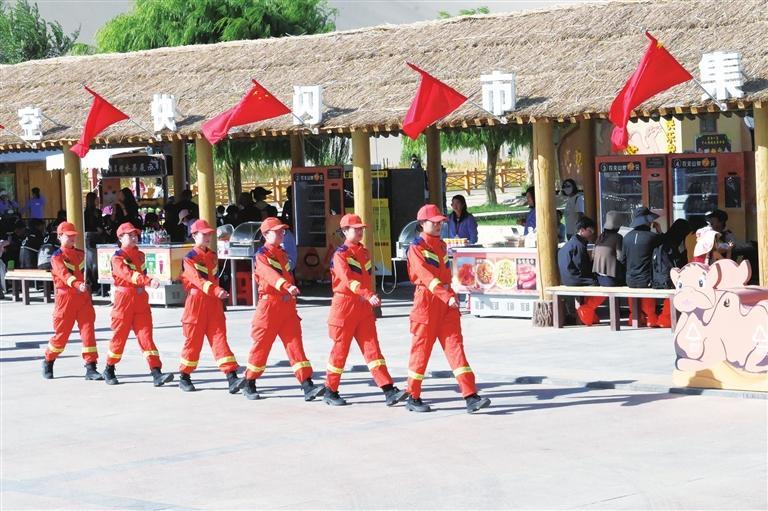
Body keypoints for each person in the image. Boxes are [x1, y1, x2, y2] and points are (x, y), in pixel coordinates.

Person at [405, 204, 491, 414]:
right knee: (421, 352)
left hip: (446, 303)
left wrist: (450, 295)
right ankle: (413, 396)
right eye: (434, 223)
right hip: (427, 302)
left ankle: (470, 395)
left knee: (456, 348)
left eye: (440, 222)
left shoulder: (442, 245)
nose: (439, 226)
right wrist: (446, 296)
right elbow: (426, 277)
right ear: (422, 223)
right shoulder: (416, 248)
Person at [322, 213, 408, 406]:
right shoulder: (340, 255)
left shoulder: (364, 252)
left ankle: (388, 389)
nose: (360, 232)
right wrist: (368, 294)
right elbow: (348, 281)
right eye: (356, 229)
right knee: (340, 351)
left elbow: (366, 279)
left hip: (362, 308)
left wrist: (368, 296)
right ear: (345, 231)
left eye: (361, 229)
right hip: (345, 307)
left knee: (373, 349)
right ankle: (330, 390)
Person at [241, 217, 325, 401]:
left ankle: (307, 384)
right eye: (277, 231)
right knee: (261, 346)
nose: (282, 234)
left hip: (287, 307)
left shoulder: (282, 253)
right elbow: (269, 275)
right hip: (269, 307)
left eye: (282, 231)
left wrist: (290, 291)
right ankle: (249, 382)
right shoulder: (261, 256)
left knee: (295, 346)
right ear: (266, 235)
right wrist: (287, 286)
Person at [101, 222, 174, 387]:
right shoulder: (117, 258)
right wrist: (148, 281)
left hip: (140, 300)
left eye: (135, 235)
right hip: (124, 301)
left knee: (146, 337)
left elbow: (141, 273)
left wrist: (146, 281)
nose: (134, 238)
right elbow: (129, 275)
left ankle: (156, 372)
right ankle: (109, 368)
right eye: (130, 235)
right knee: (119, 337)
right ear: (120, 238)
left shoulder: (141, 255)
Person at [177, 219, 245, 394]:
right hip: (196, 303)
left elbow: (214, 279)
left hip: (213, 303)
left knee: (219, 338)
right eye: (204, 234)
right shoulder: (189, 258)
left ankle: (231, 377)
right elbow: (197, 280)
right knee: (193, 342)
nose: (208, 237)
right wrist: (216, 291)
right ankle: (184, 376)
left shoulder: (213, 256)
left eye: (209, 234)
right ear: (194, 235)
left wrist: (218, 293)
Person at [41, 222, 103, 381]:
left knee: (88, 333)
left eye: (73, 236)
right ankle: (48, 360)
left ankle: (91, 367)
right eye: (68, 236)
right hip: (65, 299)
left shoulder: (81, 254)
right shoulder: (56, 257)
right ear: (59, 236)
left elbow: (88, 273)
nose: (72, 238)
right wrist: (77, 284)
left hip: (83, 298)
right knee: (61, 336)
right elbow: (64, 274)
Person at [557, 216, 604, 326]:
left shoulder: (570, 243)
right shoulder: (579, 245)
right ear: (582, 230)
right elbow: (583, 267)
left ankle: (591, 315)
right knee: (603, 285)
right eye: (590, 231)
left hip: (566, 278)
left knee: (595, 282)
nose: (592, 233)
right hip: (575, 279)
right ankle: (586, 309)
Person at [621, 207, 663, 327]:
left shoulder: (626, 237)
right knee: (647, 292)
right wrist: (659, 230)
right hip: (646, 280)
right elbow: (665, 248)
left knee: (634, 292)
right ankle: (651, 318)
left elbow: (623, 259)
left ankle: (634, 317)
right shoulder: (652, 237)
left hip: (630, 280)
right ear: (648, 221)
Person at [653, 218, 691, 328]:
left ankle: (664, 318)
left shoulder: (665, 240)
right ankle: (666, 319)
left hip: (660, 277)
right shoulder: (676, 244)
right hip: (672, 279)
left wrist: (659, 231)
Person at [592, 211, 625, 287]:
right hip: (612, 279)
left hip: (599, 278)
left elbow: (593, 255)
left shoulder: (600, 237)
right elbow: (620, 257)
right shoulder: (618, 237)